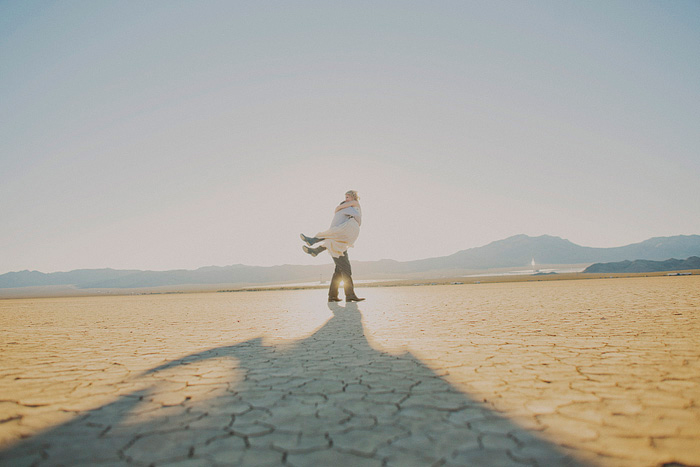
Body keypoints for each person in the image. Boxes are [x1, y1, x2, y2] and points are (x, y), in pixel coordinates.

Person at [300, 190, 365, 303]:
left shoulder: (354, 205)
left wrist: (340, 208)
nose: (346, 200)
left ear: (353, 197)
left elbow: (338, 209)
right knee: (345, 270)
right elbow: (337, 210)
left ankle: (332, 296)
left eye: (347, 197)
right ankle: (349, 295)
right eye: (345, 197)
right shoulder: (346, 215)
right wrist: (340, 208)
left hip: (341, 245)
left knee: (338, 272)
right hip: (339, 245)